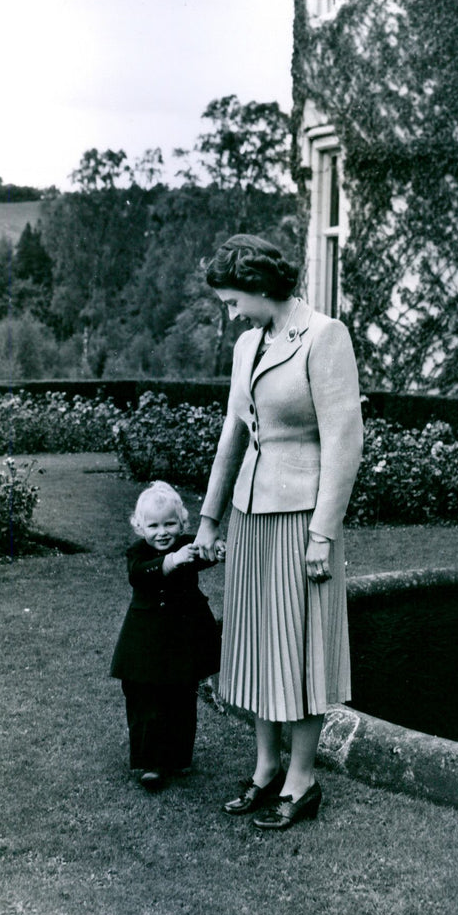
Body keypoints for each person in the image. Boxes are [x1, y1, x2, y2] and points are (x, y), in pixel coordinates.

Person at [193, 234, 364, 830]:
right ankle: (265, 769)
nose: (230, 311)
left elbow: (346, 443)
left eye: (234, 298)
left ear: (263, 288)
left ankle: (302, 777)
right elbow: (232, 436)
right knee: (259, 643)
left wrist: (323, 532)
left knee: (300, 646)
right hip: (249, 514)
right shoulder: (247, 344)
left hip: (302, 518)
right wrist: (211, 519)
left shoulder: (324, 336)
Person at [110, 481, 224, 789]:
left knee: (181, 696)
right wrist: (170, 562)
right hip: (145, 642)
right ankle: (152, 763)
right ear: (140, 527)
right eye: (154, 525)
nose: (163, 532)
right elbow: (138, 575)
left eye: (170, 524)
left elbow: (204, 554)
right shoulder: (138, 553)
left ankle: (178, 757)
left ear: (182, 523)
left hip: (181, 640)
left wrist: (215, 550)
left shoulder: (187, 545)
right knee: (145, 698)